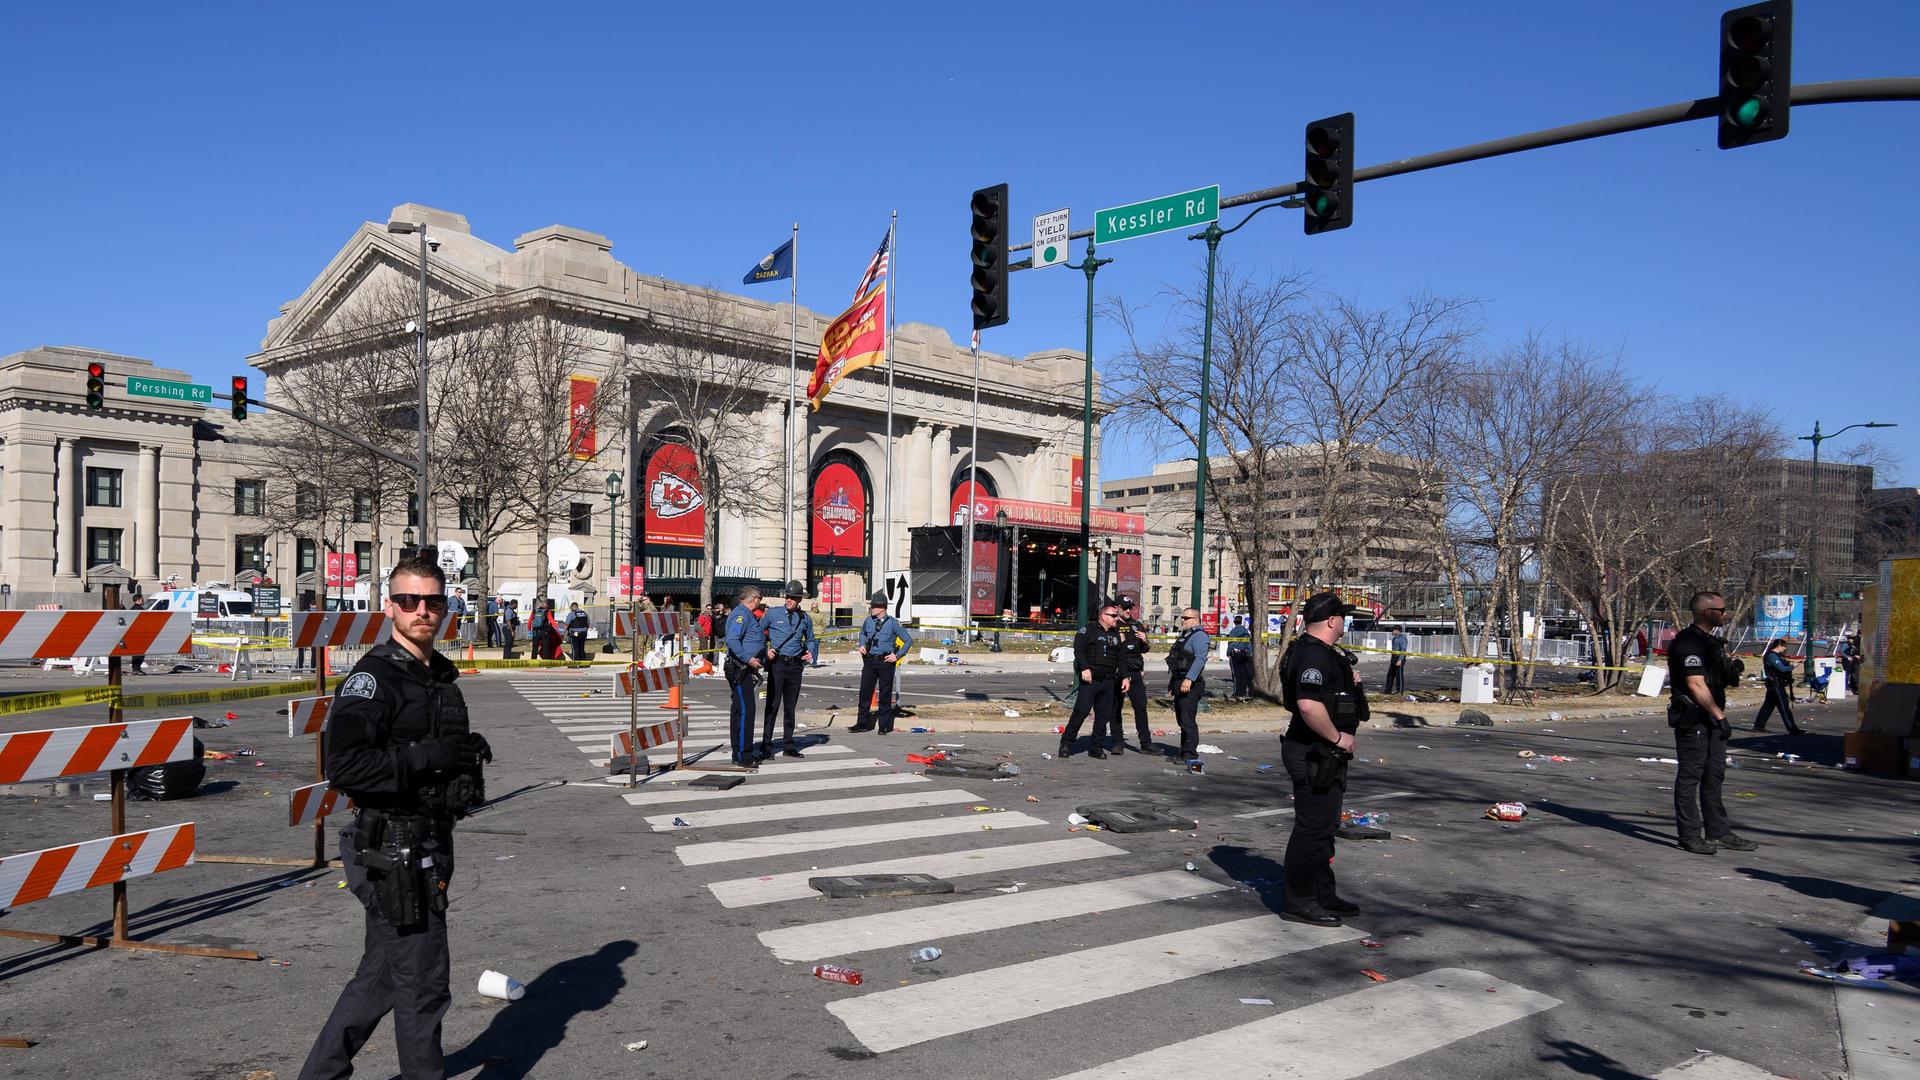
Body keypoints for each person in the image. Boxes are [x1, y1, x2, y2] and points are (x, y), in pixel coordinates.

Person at [298, 556, 491, 1080]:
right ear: (390, 608)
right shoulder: (373, 679)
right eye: (409, 601)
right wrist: (429, 757)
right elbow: (346, 766)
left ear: (446, 607)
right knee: (424, 987)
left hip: (428, 840)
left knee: (382, 977)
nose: (421, 610)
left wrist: (463, 753)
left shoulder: (439, 676)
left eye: (431, 601)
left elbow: (438, 749)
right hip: (394, 850)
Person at [1277, 591, 1367, 926]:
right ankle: (1299, 901)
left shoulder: (1322, 653)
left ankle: (1322, 894)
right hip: (1314, 751)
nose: (1344, 621)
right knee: (1311, 829)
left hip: (1324, 753)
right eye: (1342, 616)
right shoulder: (1313, 655)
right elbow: (1308, 705)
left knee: (1325, 828)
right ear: (1332, 620)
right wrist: (1337, 737)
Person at [1667, 590, 1760, 856]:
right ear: (1706, 612)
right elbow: (1695, 684)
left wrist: (1732, 671)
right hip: (1695, 718)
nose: (1725, 614)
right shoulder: (1688, 643)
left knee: (1714, 775)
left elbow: (1716, 678)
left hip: (1712, 717)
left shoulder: (1711, 642)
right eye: (1721, 610)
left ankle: (1718, 831)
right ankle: (1689, 835)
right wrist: (1719, 716)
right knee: (1690, 777)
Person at [1059, 600, 1128, 759]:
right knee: (1081, 712)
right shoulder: (1088, 630)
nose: (1116, 619)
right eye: (1113, 616)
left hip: (1109, 681)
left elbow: (1121, 658)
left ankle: (1096, 747)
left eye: (1116, 616)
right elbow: (1079, 649)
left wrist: (1125, 677)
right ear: (1103, 616)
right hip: (1091, 680)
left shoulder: (1115, 633)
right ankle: (1066, 743)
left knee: (1103, 716)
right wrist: (1084, 668)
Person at [760, 580, 819, 759]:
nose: (789, 600)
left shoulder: (805, 618)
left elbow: (810, 639)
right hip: (778, 664)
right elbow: (757, 634)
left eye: (793, 597)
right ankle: (766, 744)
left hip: (795, 666)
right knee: (773, 705)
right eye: (787, 596)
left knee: (790, 707)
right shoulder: (773, 614)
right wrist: (765, 650)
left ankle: (788, 744)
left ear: (799, 599)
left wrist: (811, 654)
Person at [851, 595, 912, 734]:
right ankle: (862, 723)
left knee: (885, 695)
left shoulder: (893, 623)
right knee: (864, 693)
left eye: (873, 606)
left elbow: (908, 641)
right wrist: (861, 645)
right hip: (870, 661)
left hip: (885, 662)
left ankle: (884, 726)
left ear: (882, 608)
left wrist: (896, 656)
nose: (871, 608)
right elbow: (862, 634)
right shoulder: (868, 621)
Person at [722, 586, 767, 766]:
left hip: (745, 669)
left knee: (740, 710)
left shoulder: (746, 615)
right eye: (760, 600)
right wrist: (748, 659)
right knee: (746, 711)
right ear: (754, 599)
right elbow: (732, 639)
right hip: (740, 669)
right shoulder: (741, 615)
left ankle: (739, 752)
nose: (760, 603)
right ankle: (743, 755)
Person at [1166, 607, 1211, 772]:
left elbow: (1200, 659)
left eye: (1186, 618)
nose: (1183, 620)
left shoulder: (1199, 636)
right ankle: (1183, 750)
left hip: (1190, 683)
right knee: (1181, 719)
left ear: (1196, 619)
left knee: (1187, 720)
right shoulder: (1186, 635)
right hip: (1179, 680)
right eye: (1182, 618)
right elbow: (1177, 661)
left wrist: (1189, 679)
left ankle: (1190, 754)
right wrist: (1172, 684)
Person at [1116, 596, 1155, 752]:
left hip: (1135, 671)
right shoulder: (1113, 625)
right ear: (1117, 607)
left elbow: (1144, 650)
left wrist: (1145, 640)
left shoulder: (1136, 625)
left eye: (1130, 607)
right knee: (1115, 708)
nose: (1128, 610)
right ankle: (1118, 742)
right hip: (1118, 672)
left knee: (1140, 708)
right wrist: (1116, 640)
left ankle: (1146, 743)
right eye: (1125, 607)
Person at [1752, 638, 1803, 735]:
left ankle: (1759, 726)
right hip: (1775, 684)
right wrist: (1793, 666)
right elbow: (1782, 669)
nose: (1784, 649)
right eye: (1784, 647)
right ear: (1779, 646)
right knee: (1783, 706)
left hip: (1776, 684)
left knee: (1768, 706)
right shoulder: (1771, 656)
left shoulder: (1776, 656)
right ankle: (1792, 728)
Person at [1226, 616, 1253, 700]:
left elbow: (1231, 643)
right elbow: (1248, 643)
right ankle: (1244, 691)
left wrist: (1228, 653)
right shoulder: (1245, 632)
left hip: (1235, 654)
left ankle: (1237, 692)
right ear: (1241, 622)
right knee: (1244, 673)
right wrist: (1250, 652)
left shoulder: (1233, 631)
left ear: (1234, 622)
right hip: (1244, 653)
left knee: (1236, 674)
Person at [1384, 628, 1409, 695]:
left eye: (1393, 630)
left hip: (1399, 658)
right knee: (1390, 674)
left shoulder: (1402, 638)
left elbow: (1403, 650)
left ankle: (1399, 692)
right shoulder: (1394, 639)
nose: (1392, 631)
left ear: (1397, 631)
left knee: (1399, 675)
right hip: (1394, 658)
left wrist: (1400, 660)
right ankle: (1387, 690)